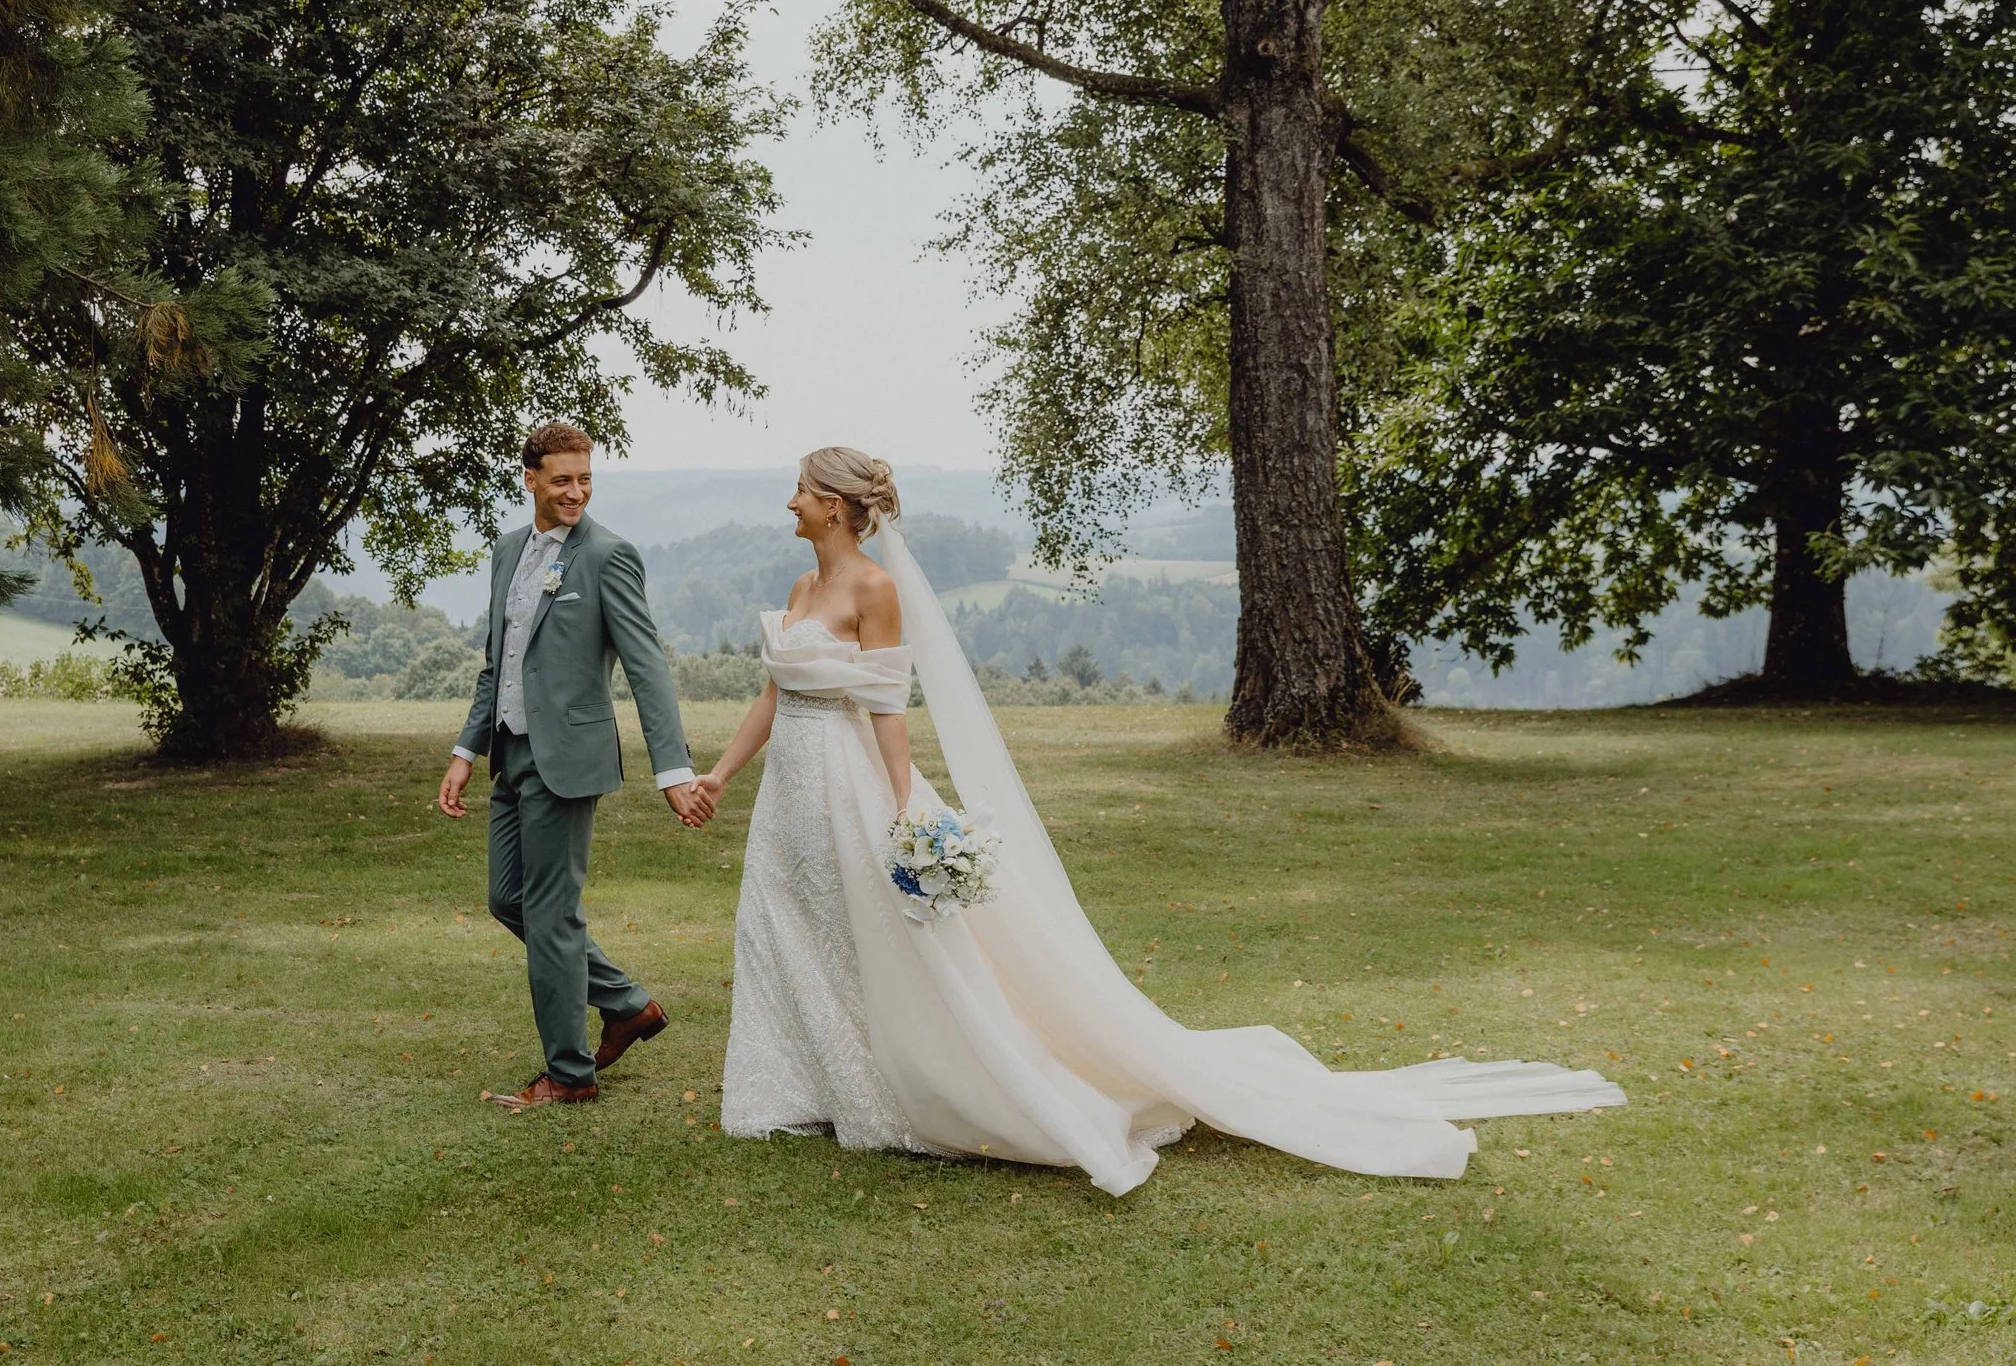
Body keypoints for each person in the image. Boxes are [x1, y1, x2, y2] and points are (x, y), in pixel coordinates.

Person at [693, 447, 1625, 1193]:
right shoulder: (804, 587)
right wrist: (723, 776)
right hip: (789, 793)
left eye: (805, 490)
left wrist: (905, 811)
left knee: (883, 936)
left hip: (853, 780)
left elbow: (889, 708)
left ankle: (920, 1083)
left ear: (842, 506)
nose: (792, 501)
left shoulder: (871, 590)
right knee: (789, 922)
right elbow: (776, 695)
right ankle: (807, 1081)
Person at [436, 422, 712, 1113]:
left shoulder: (608, 556)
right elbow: (497, 664)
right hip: (511, 753)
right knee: (510, 900)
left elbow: (647, 666)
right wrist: (465, 752)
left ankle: (569, 1074)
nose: (576, 492)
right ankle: (627, 1003)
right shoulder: (506, 552)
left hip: (570, 759)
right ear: (528, 477)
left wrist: (672, 769)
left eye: (585, 479)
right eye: (562, 479)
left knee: (553, 915)